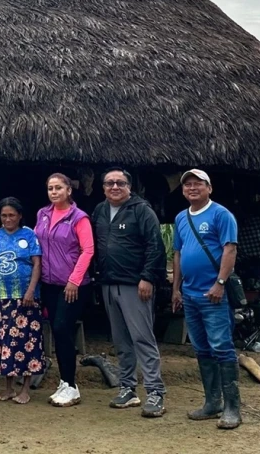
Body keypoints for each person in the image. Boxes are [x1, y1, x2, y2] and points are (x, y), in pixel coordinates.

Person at [92, 167, 166, 417]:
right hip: (108, 283)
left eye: (120, 183)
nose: (114, 187)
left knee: (142, 338)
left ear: (129, 187)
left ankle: (155, 392)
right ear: (102, 187)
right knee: (121, 341)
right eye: (109, 183)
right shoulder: (100, 211)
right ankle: (128, 389)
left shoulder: (141, 211)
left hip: (135, 284)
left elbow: (155, 245)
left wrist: (147, 277)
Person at [172, 169, 242, 429]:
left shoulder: (221, 214)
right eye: (187, 185)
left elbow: (229, 249)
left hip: (213, 294)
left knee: (222, 347)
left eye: (198, 184)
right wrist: (176, 289)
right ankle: (213, 402)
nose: (192, 188)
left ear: (209, 188)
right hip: (189, 294)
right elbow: (177, 254)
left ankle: (233, 408)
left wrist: (220, 283)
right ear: (182, 190)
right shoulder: (181, 217)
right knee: (201, 348)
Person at [34, 173, 94, 407]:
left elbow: (87, 250)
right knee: (58, 332)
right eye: (50, 188)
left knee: (61, 328)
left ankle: (71, 385)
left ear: (69, 190)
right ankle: (65, 382)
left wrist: (74, 280)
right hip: (48, 283)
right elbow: (36, 239)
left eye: (59, 187)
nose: (54, 192)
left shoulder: (79, 218)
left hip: (72, 285)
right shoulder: (43, 214)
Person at [0, 197, 43, 404]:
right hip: (3, 299)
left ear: (20, 216)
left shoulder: (30, 235)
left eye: (11, 215)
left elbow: (37, 264)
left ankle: (24, 388)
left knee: (27, 343)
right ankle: (8, 388)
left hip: (26, 300)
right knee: (5, 343)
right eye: (4, 215)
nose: (8, 219)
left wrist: (31, 291)